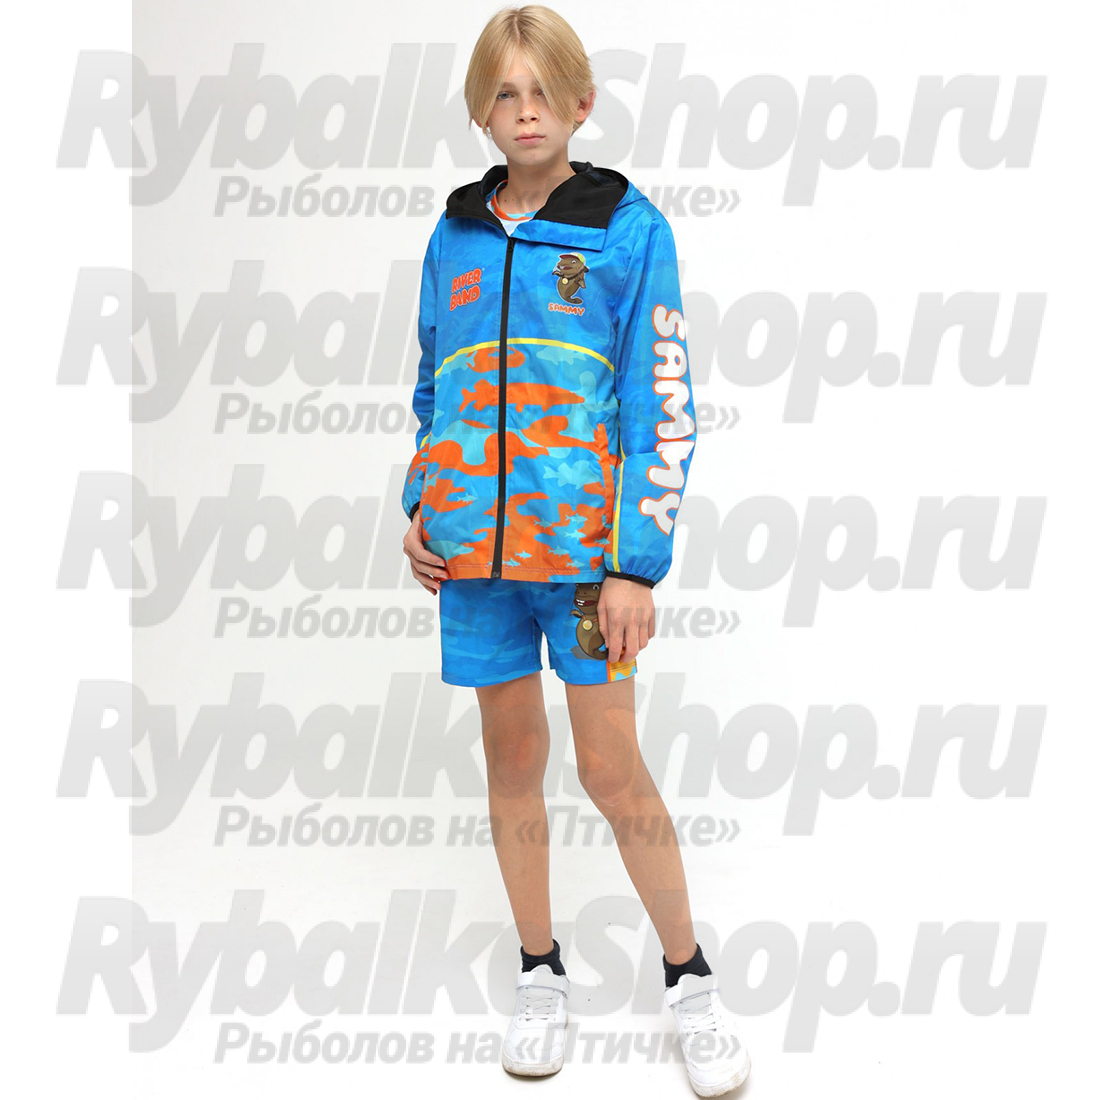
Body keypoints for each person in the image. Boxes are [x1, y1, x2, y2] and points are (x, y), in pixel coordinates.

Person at [400, 5, 750, 1094]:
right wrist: (421, 502)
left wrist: (635, 563)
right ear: (480, 110)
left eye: (543, 91)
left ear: (581, 101)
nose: (525, 111)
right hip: (474, 564)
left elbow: (662, 406)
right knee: (511, 762)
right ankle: (539, 971)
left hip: (590, 567)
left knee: (608, 766)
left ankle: (689, 979)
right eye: (503, 94)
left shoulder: (628, 231)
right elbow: (434, 386)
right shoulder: (455, 234)